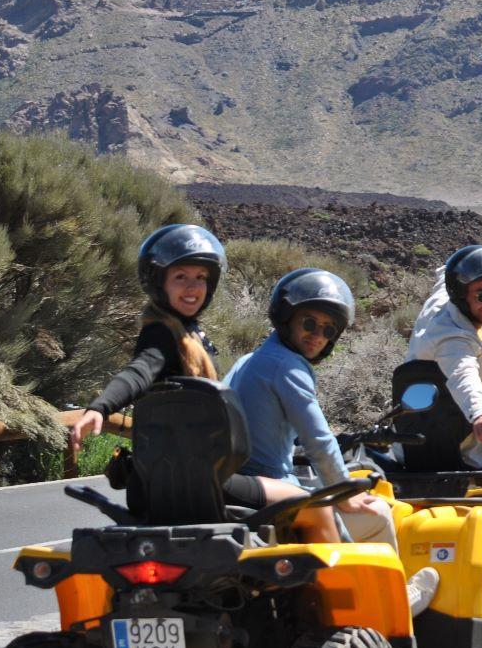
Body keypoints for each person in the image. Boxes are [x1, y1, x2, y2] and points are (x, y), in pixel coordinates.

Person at [67, 224, 321, 533]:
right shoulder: (162, 335)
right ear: (159, 282)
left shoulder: (184, 332)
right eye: (180, 277)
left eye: (200, 277)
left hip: (163, 479)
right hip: (201, 481)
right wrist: (100, 407)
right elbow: (140, 370)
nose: (193, 287)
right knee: (311, 505)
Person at [224, 268, 394, 545]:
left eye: (328, 330)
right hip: (271, 487)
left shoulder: (248, 360)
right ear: (287, 318)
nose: (317, 335)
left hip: (243, 485)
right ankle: (398, 590)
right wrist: (346, 497)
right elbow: (318, 441)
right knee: (379, 514)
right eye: (309, 323)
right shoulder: (288, 366)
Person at [404, 245, 482, 467]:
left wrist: (450, 268)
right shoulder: (453, 337)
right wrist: (480, 413)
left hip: (430, 432)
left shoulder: (443, 301)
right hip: (463, 445)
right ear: (461, 295)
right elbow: (462, 373)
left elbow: (444, 280)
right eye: (481, 295)